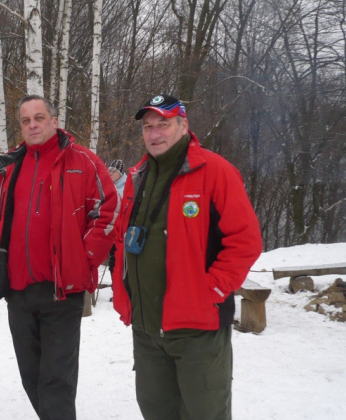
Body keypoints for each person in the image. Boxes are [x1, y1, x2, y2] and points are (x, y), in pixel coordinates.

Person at [111, 94, 262, 420]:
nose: (154, 133)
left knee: (205, 414)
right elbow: (123, 240)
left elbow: (245, 241)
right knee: (157, 412)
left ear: (183, 126)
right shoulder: (138, 176)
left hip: (198, 333)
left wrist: (210, 293)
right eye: (148, 127)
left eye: (163, 125)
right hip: (147, 330)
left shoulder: (215, 171)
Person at [0, 95, 118, 419]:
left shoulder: (82, 161)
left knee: (56, 380)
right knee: (31, 377)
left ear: (54, 121)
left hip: (62, 291)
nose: (33, 125)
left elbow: (108, 211)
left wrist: (83, 259)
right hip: (18, 292)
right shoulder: (11, 165)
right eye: (26, 120)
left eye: (39, 118)